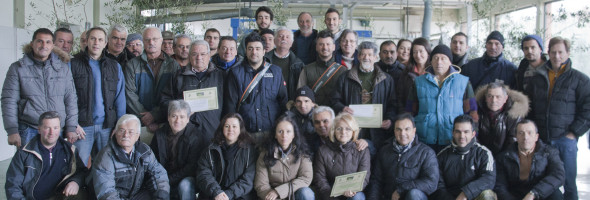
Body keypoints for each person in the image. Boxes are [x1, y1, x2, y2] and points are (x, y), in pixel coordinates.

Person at [525, 36, 590, 200]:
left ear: (568, 53)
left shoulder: (579, 79)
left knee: (569, 183)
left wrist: (574, 132)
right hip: (543, 140)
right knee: (543, 182)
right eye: (553, 52)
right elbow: (530, 106)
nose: (556, 56)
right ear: (548, 53)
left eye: (561, 52)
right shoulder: (538, 77)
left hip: (565, 139)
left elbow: (588, 108)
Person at [2, 28, 78, 148]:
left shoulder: (63, 68)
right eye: (40, 41)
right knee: (30, 166)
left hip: (57, 130)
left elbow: (71, 99)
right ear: (32, 44)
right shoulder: (18, 68)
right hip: (29, 129)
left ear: (53, 45)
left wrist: (71, 127)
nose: (44, 45)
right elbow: (9, 101)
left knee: (55, 166)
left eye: (48, 42)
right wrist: (12, 130)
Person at [70, 26, 127, 167]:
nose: (96, 43)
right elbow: (67, 96)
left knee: (105, 166)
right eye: (93, 39)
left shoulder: (114, 67)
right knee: (79, 166)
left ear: (105, 42)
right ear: (87, 41)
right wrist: (72, 123)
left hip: (107, 126)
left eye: (100, 39)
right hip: (82, 127)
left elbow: (120, 98)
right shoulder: (73, 64)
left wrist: (119, 125)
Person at [406, 44, 477, 153]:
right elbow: (410, 112)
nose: (439, 62)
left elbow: (472, 113)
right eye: (435, 58)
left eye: (443, 58)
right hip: (425, 138)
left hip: (453, 137)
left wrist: (472, 135)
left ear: (450, 61)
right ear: (431, 61)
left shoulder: (463, 82)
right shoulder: (419, 82)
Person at [5, 111, 88, 200]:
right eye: (47, 128)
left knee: (83, 194)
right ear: (39, 129)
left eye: (55, 128)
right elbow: (13, 186)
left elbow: (82, 172)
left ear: (60, 129)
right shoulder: (24, 153)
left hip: (61, 197)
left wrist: (76, 182)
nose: (52, 132)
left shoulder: (70, 150)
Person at [224, 32, 288, 143]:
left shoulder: (276, 72)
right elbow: (230, 106)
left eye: (258, 48)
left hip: (271, 133)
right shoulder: (235, 73)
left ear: (264, 51)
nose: (254, 52)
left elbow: (283, 102)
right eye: (250, 48)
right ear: (246, 51)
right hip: (244, 134)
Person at [332, 41, 396, 151]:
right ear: (358, 56)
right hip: (352, 130)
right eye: (363, 54)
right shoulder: (345, 77)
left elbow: (393, 104)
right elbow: (334, 100)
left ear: (376, 57)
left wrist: (390, 119)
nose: (366, 58)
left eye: (370, 55)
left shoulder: (387, 79)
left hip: (378, 131)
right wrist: (342, 108)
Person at [91, 114, 169, 199]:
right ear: (116, 133)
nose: (126, 135)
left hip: (136, 195)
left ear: (137, 135)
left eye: (131, 132)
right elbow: (107, 193)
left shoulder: (145, 151)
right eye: (121, 130)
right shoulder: (106, 157)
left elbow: (158, 174)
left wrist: (161, 197)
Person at [161, 40, 225, 136]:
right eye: (195, 54)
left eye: (203, 54)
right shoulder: (178, 76)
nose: (199, 58)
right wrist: (178, 110)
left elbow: (228, 104)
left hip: (212, 131)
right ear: (189, 56)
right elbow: (165, 100)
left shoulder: (221, 76)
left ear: (209, 56)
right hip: (184, 132)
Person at [368, 113, 439, 200]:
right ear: (394, 132)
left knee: (414, 193)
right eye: (399, 129)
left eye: (407, 129)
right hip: (390, 197)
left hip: (413, 197)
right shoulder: (384, 151)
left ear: (414, 130)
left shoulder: (426, 153)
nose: (402, 133)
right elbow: (376, 181)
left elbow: (431, 183)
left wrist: (401, 189)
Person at [151, 100, 210, 200]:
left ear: (188, 119)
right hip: (163, 176)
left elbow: (191, 167)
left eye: (182, 117)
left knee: (185, 185)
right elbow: (152, 160)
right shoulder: (159, 134)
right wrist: (162, 179)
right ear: (168, 117)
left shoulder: (196, 136)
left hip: (186, 178)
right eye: (174, 116)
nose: (177, 120)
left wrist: (168, 180)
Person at [125, 27, 180, 132]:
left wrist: (155, 115)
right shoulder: (132, 65)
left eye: (155, 39)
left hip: (166, 121)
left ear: (161, 41)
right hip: (139, 123)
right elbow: (129, 94)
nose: (151, 42)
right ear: (143, 42)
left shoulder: (173, 65)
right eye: (147, 39)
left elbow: (175, 95)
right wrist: (145, 118)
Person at [494, 120, 565, 200]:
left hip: (540, 193)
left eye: (530, 133)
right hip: (515, 195)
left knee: (556, 195)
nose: (525, 137)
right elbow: (500, 186)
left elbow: (558, 176)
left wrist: (534, 193)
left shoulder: (549, 153)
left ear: (536, 137)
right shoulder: (504, 157)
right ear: (516, 136)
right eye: (521, 133)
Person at [433, 115, 496, 200]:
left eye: (466, 132)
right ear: (453, 133)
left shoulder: (484, 153)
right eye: (458, 132)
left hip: (474, 196)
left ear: (473, 134)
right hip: (450, 198)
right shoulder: (441, 156)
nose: (462, 136)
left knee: (487, 195)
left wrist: (466, 193)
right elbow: (438, 186)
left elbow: (489, 179)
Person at [196, 113, 258, 200]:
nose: (230, 129)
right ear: (222, 128)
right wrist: (217, 193)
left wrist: (228, 194)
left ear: (240, 129)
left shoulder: (249, 150)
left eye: (234, 126)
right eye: (227, 126)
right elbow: (203, 174)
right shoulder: (211, 149)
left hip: (240, 196)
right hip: (214, 195)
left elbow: (248, 179)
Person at [254, 115, 314, 200]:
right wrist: (274, 196)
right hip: (272, 196)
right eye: (280, 131)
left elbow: (305, 178)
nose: (284, 135)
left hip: (295, 194)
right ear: (275, 135)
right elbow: (261, 185)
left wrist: (279, 191)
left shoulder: (302, 152)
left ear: (294, 135)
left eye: (288, 131)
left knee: (306, 193)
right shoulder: (265, 154)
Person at [314, 113, 370, 200]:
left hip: (354, 192)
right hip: (330, 193)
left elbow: (364, 177)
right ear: (333, 130)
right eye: (339, 128)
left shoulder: (362, 149)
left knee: (357, 198)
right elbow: (320, 179)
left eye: (348, 129)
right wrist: (332, 195)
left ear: (353, 131)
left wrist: (352, 190)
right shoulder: (322, 150)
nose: (343, 132)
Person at [476, 82, 528, 156]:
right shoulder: (476, 111)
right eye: (490, 96)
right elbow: (473, 137)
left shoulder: (515, 115)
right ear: (485, 98)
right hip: (481, 156)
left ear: (505, 98)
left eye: (498, 97)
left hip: (505, 158)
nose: (494, 100)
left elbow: (512, 143)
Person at [297, 30, 347, 106]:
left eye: (328, 44)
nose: (325, 47)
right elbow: (300, 95)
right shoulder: (306, 70)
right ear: (316, 47)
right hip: (313, 114)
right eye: (321, 44)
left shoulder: (343, 70)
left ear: (334, 47)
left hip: (336, 114)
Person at [265, 26, 305, 100]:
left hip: (289, 103)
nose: (284, 39)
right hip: (267, 102)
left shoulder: (298, 64)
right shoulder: (264, 60)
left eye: (287, 37)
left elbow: (301, 88)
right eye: (280, 36)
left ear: (292, 42)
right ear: (274, 40)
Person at [396, 38, 430, 114]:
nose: (418, 55)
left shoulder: (433, 72)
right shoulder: (406, 73)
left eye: (421, 51)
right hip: (410, 115)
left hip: (428, 116)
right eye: (415, 52)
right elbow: (400, 98)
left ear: (427, 52)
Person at [286, 86, 317, 153]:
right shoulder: (287, 118)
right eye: (299, 101)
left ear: (313, 104)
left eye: (306, 101)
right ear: (294, 104)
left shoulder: (319, 118)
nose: (302, 105)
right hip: (293, 153)